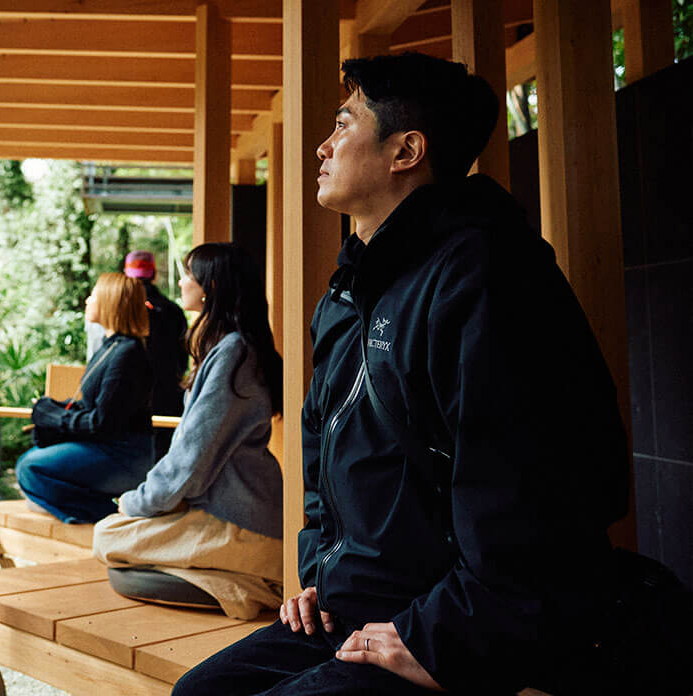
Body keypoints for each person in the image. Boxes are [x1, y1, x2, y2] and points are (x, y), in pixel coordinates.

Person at [173, 53, 629, 695]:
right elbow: (323, 448)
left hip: (456, 620)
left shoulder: (485, 275)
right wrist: (320, 575)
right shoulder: (349, 290)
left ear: (406, 151)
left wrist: (443, 638)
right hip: (353, 607)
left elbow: (530, 484)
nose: (322, 148)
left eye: (343, 124)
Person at [94, 242, 284, 619]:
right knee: (114, 531)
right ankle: (230, 575)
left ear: (210, 287)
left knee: (106, 535)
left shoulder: (234, 352)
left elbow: (191, 457)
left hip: (239, 522)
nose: (181, 283)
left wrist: (136, 502)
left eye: (188, 276)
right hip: (228, 511)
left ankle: (243, 579)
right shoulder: (230, 347)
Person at [15, 272, 156, 524]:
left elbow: (102, 422)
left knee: (29, 467)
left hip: (125, 455)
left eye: (93, 295)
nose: (87, 300)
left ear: (110, 302)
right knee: (30, 462)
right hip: (106, 447)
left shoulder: (128, 354)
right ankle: (86, 510)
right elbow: (91, 406)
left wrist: (52, 416)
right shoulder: (111, 346)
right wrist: (51, 407)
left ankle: (111, 514)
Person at [123, 249, 189, 457]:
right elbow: (183, 359)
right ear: (154, 274)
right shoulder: (173, 311)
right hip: (167, 396)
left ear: (126, 274)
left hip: (129, 400)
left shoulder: (120, 312)